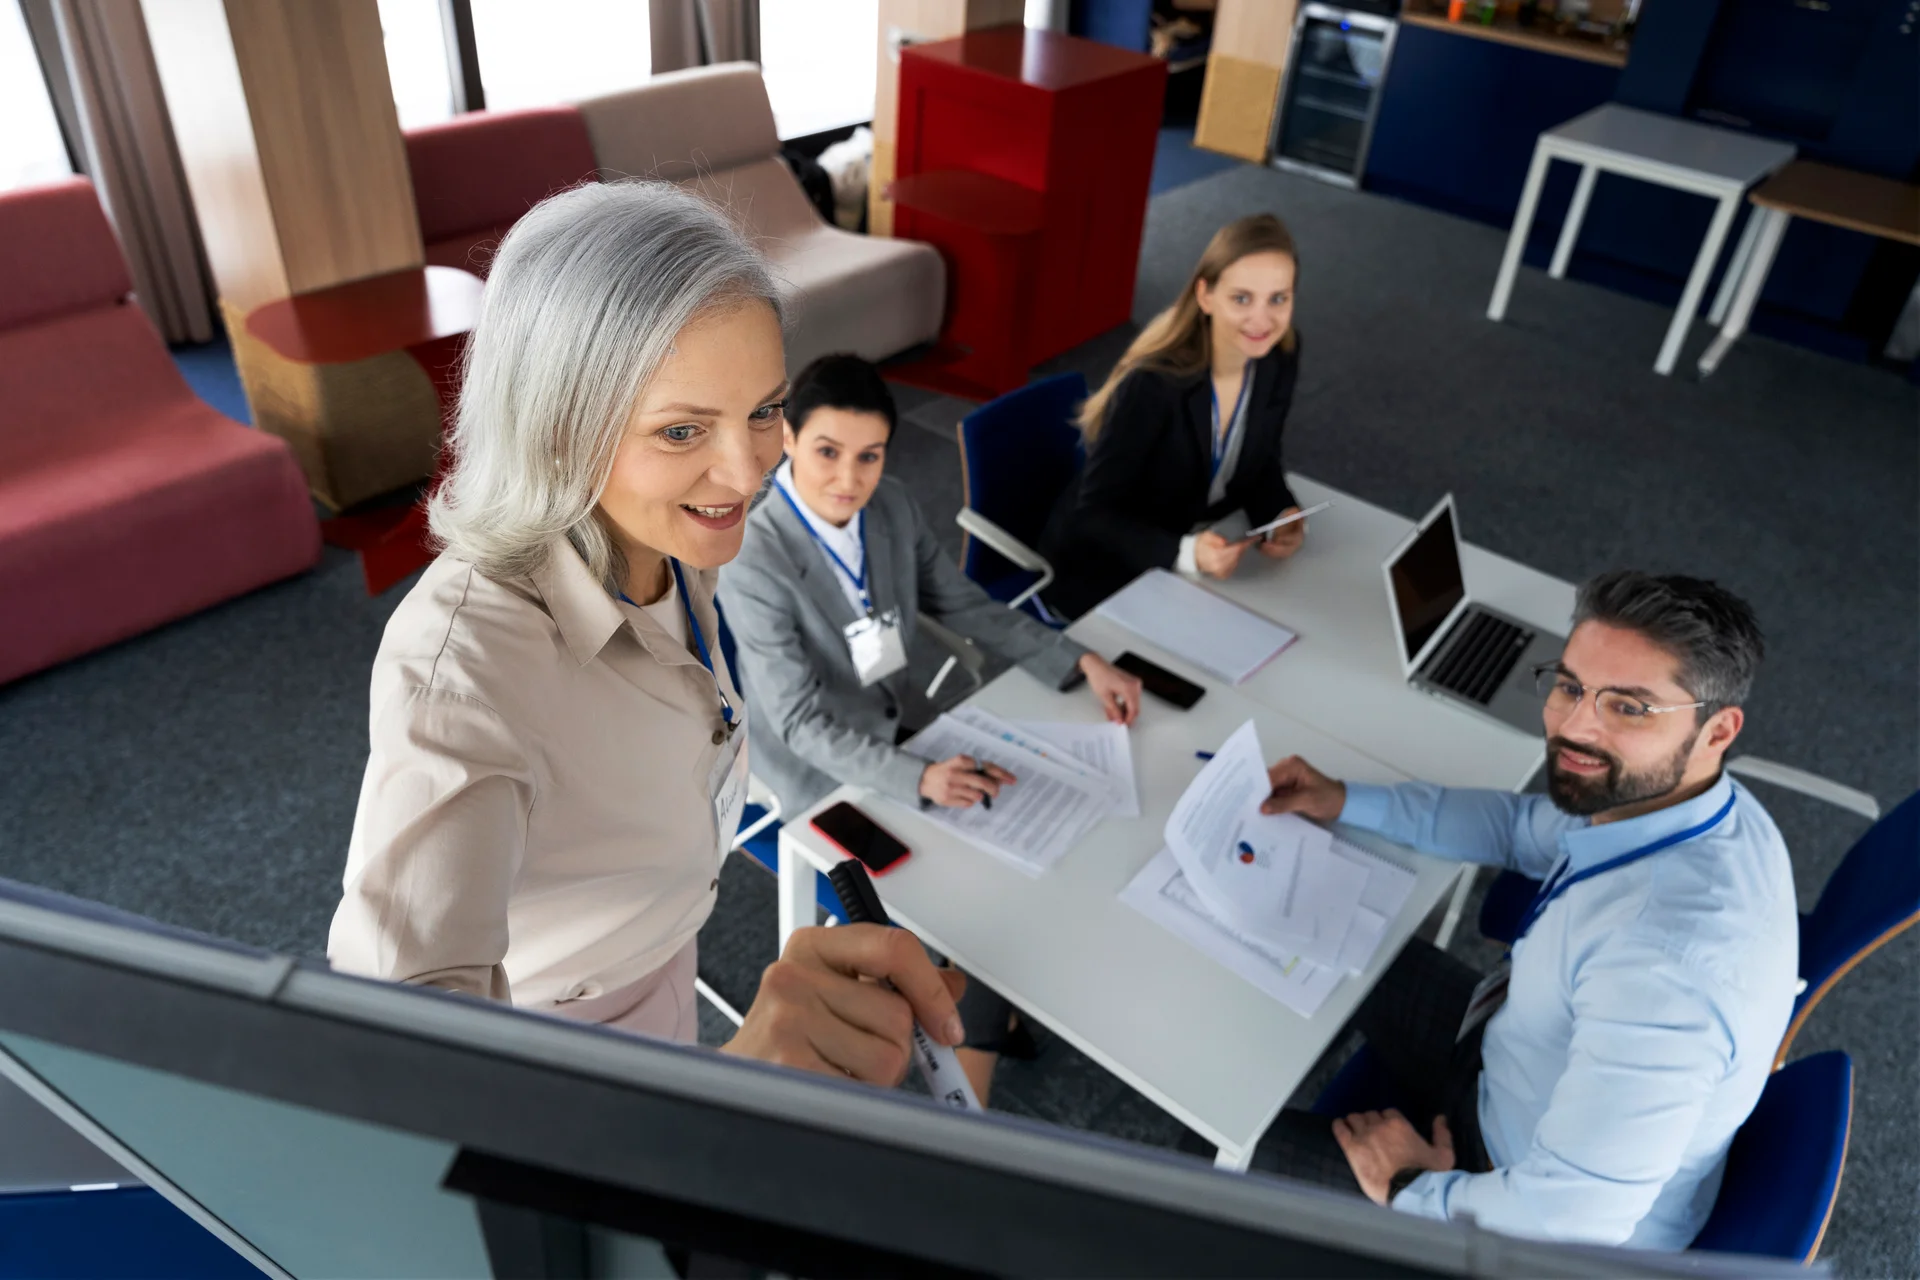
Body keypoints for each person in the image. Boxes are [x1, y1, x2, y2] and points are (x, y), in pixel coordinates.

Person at [328, 181, 967, 1087]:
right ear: (557, 431)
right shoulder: (463, 673)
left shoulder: (671, 530)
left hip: (667, 953)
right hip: (563, 1048)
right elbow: (403, 1067)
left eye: (762, 411)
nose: (747, 472)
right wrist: (732, 1081)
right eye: (680, 430)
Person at [1254, 571, 1795, 1248]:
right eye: (1569, 685)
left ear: (1718, 730)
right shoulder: (1686, 804)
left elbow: (1570, 1221)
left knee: (1202, 1162)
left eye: (1628, 707)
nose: (1574, 727)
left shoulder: (1665, 968)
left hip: (1518, 1204)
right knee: (1343, 929)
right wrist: (1345, 799)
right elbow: (1515, 828)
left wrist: (1412, 1189)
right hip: (1514, 1060)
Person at [718, 353, 1143, 1096]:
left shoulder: (893, 507)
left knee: (1019, 839)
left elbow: (964, 605)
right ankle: (966, 1093)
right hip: (816, 775)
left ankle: (977, 1017)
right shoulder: (753, 553)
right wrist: (918, 778)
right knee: (969, 895)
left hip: (907, 724)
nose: (849, 479)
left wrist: (1079, 664)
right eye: (827, 452)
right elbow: (796, 722)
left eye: (869, 456)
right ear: (786, 438)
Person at [1039, 214, 1309, 619]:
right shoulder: (1156, 383)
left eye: (1278, 298)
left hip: (1200, 555)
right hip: (1107, 573)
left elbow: (1261, 456)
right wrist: (1184, 553)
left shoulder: (1278, 357)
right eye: (1241, 298)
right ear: (1206, 296)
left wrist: (1279, 513)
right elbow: (1093, 516)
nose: (1262, 320)